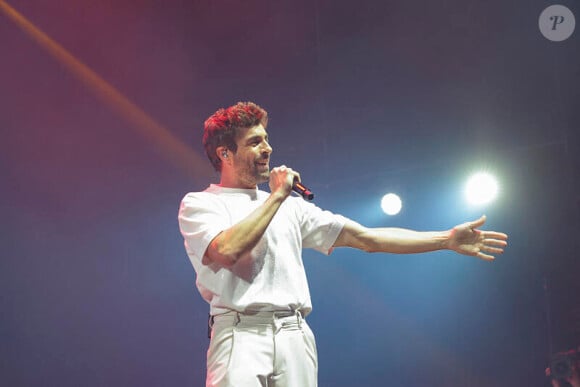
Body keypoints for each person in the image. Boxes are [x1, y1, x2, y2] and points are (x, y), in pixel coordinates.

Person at [178, 101, 508, 387]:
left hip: (294, 332)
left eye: (266, 139)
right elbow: (226, 250)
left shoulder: (290, 207)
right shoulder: (201, 204)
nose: (268, 149)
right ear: (225, 154)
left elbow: (366, 238)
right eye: (254, 142)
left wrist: (444, 239)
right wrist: (277, 195)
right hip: (239, 334)